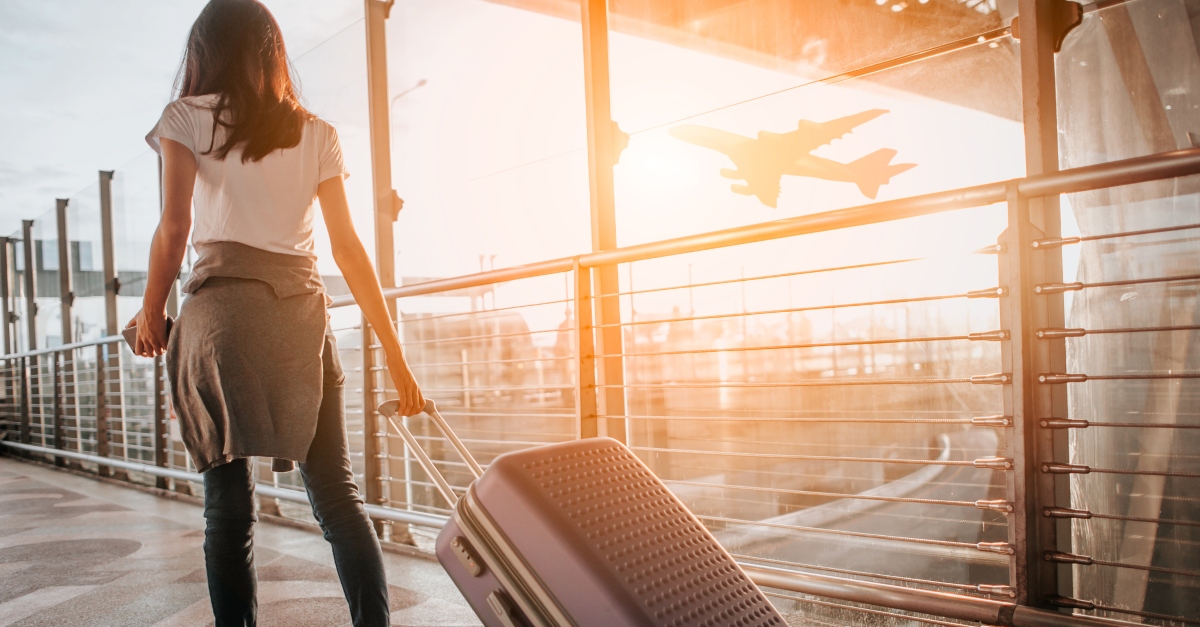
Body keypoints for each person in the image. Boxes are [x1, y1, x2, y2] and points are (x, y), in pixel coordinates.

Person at [129, 1, 424, 625]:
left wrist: (151, 311)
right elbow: (347, 249)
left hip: (220, 323)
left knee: (228, 509)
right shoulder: (316, 132)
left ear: (202, 51)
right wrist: (397, 361)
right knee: (339, 500)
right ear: (274, 55)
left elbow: (175, 226)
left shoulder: (183, 118)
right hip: (299, 320)